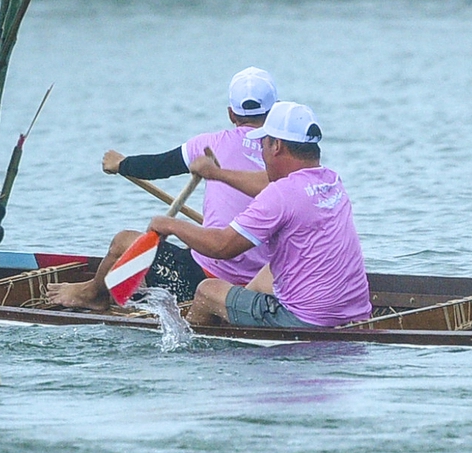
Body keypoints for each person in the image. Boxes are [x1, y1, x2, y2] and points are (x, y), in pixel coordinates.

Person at [51, 67, 278, 310]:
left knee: (122, 241)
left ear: (231, 114)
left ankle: (92, 294)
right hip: (267, 283)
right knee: (198, 243)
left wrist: (121, 164)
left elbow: (159, 166)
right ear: (275, 112)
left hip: (205, 280)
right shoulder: (284, 155)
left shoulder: (210, 143)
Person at [144, 101, 373, 329]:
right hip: (355, 313)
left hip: (304, 320)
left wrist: (170, 225)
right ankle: (237, 311)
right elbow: (273, 187)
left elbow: (222, 247)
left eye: (263, 143)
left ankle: (190, 349)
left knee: (207, 291)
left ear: (276, 146)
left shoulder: (280, 194)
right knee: (270, 269)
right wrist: (217, 174)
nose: (262, 153)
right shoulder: (332, 181)